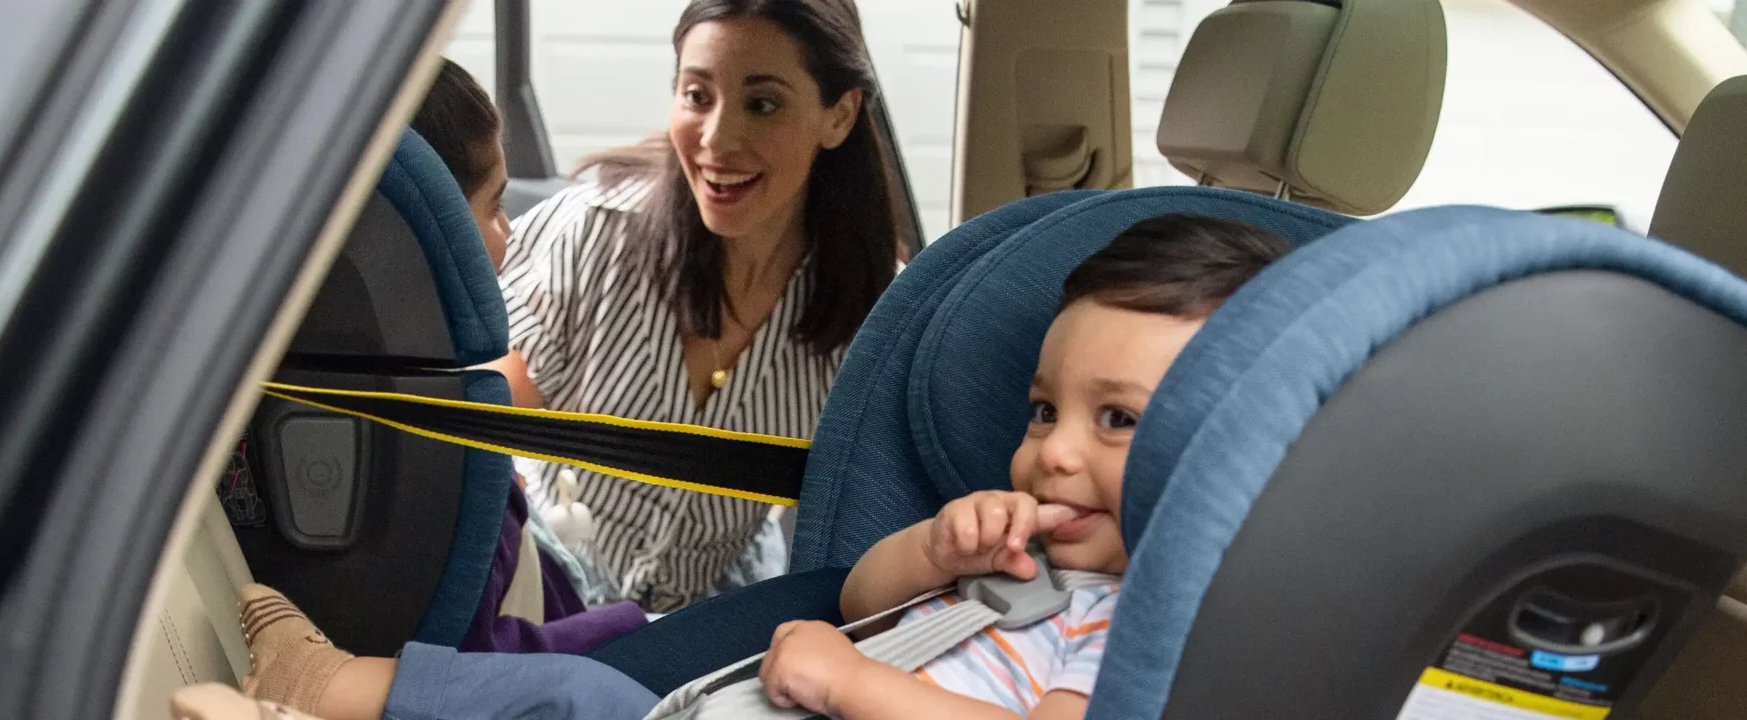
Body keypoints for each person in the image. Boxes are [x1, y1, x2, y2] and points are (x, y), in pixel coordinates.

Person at [174, 214, 1296, 720]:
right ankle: (319, 696)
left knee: (573, 691)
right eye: (1043, 407)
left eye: (1116, 422)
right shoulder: (1018, 543)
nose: (1051, 449)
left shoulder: (1156, 628)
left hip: (810, 696)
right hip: (757, 698)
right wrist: (935, 548)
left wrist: (852, 683)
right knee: (580, 691)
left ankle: (320, 696)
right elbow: (861, 598)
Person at [485, 0, 916, 614]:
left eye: (762, 104)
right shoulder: (591, 233)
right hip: (547, 596)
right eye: (697, 95)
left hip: (710, 620)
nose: (718, 139)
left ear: (839, 115)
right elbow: (479, 433)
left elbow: (870, 533)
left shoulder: (875, 320)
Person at [407, 58, 649, 653]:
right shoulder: (440, 447)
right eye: (493, 207)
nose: (510, 232)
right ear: (427, 227)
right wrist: (633, 628)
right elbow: (487, 664)